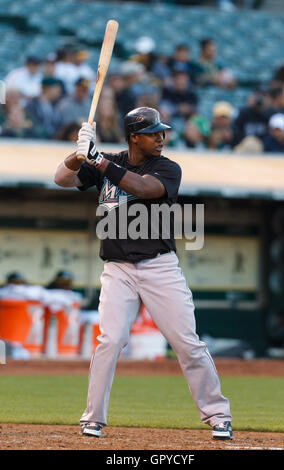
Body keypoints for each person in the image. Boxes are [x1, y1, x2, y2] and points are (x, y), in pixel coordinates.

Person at [53, 106, 233, 441]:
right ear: (134, 136)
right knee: (110, 341)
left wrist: (99, 161)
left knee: (187, 343)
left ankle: (219, 415)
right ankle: (93, 418)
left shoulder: (166, 167)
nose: (161, 138)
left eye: (161, 132)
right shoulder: (103, 158)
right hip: (117, 268)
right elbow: (61, 180)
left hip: (158, 266)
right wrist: (78, 155)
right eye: (153, 133)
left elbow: (144, 188)